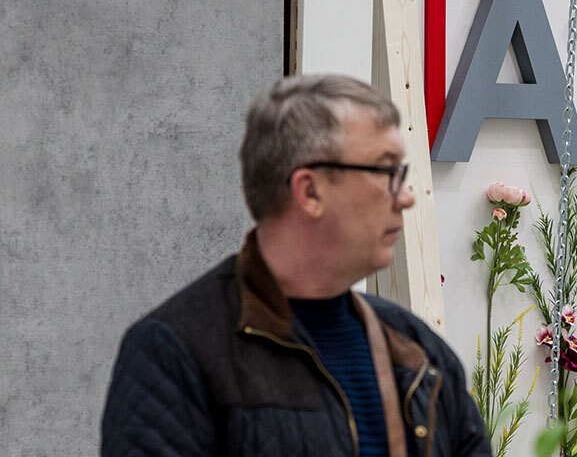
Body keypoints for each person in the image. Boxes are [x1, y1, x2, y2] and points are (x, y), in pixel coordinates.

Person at [101, 75, 491, 456]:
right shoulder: (174, 353)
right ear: (310, 191)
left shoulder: (417, 349)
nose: (406, 197)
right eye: (386, 171)